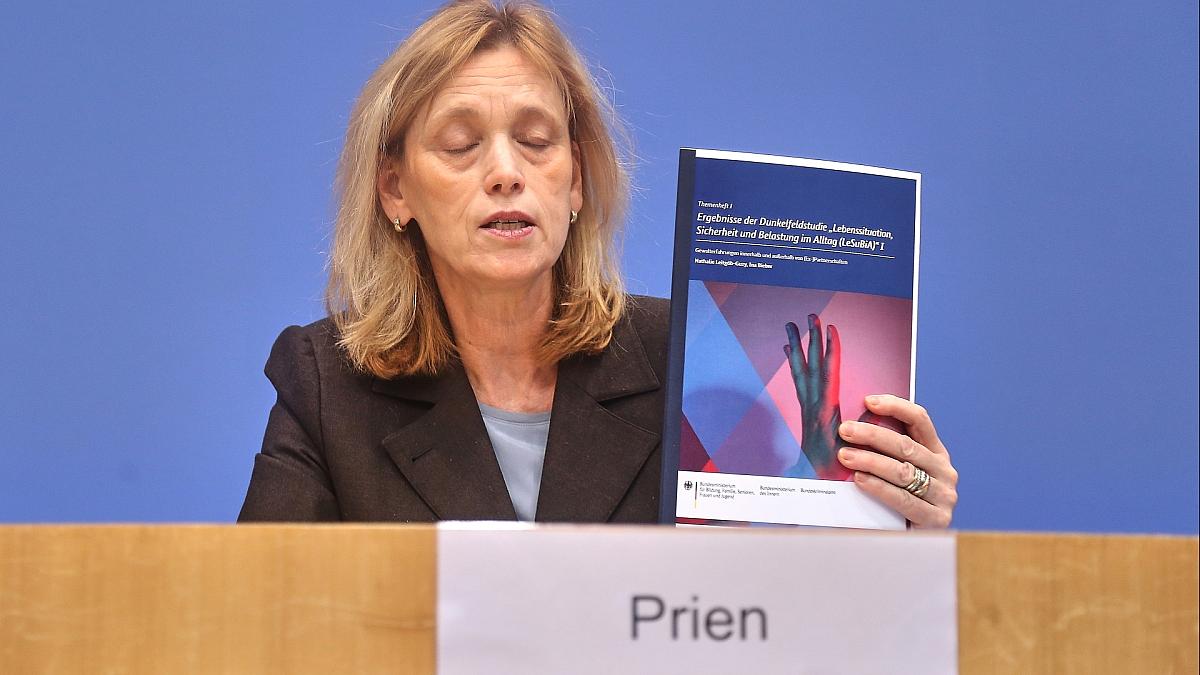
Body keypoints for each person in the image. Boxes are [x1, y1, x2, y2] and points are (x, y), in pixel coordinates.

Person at [238, 0, 958, 529]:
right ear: (395, 189)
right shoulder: (327, 385)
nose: (505, 172)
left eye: (536, 141)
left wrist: (895, 519)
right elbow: (262, 621)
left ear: (576, 180)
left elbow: (786, 607)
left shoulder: (689, 360)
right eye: (461, 144)